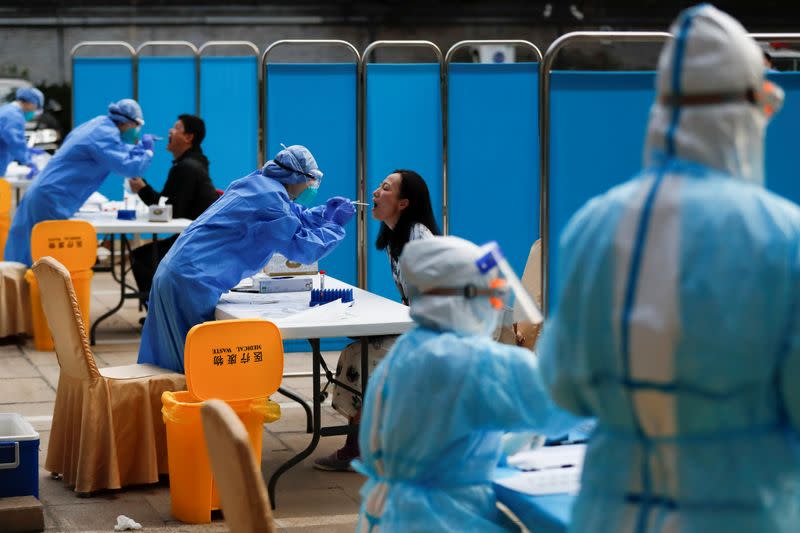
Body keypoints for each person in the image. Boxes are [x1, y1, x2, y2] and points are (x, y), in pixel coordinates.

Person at [538, 5, 800, 531]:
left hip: (611, 512)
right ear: (750, 108)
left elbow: (562, 385)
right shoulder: (782, 237)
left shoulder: (597, 225)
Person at [355, 236, 580, 532]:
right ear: (467, 296)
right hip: (448, 520)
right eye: (494, 297)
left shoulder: (407, 349)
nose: (495, 307)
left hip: (391, 516)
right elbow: (557, 409)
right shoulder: (471, 360)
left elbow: (436, 436)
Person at [137, 144, 356, 373]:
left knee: (167, 361)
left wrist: (323, 214)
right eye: (311, 180)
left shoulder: (257, 183)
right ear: (295, 177)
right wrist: (335, 225)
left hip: (175, 271)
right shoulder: (272, 201)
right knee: (192, 367)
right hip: (192, 281)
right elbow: (303, 248)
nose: (311, 187)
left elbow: (292, 216)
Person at [314, 169, 440, 472]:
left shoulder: (418, 239)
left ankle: (357, 447)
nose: (375, 193)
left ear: (404, 203)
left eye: (385, 189)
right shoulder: (397, 237)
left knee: (359, 355)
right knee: (363, 347)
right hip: (420, 325)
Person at [4, 98, 154, 265]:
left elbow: (115, 150)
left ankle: (25, 289)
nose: (137, 131)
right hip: (52, 197)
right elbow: (129, 167)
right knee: (42, 258)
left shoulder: (100, 125)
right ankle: (34, 290)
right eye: (137, 126)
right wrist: (147, 152)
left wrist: (135, 149)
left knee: (28, 250)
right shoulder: (104, 135)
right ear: (127, 123)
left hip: (47, 192)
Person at [128, 114, 219, 299]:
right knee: (144, 254)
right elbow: (168, 203)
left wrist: (142, 189)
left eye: (177, 128)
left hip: (196, 243)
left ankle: (156, 310)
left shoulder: (187, 167)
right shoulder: (190, 164)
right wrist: (143, 188)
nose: (170, 130)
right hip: (194, 237)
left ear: (188, 137)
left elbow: (170, 211)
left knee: (142, 258)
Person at [0, 87, 44, 176]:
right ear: (30, 102)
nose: (35, 111)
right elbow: (15, 142)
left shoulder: (8, 110)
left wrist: (26, 150)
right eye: (37, 106)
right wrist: (28, 161)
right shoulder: (14, 116)